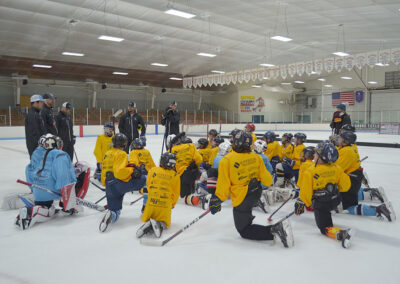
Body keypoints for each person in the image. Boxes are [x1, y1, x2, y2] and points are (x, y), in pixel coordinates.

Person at [209, 130, 294, 248]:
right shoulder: (256, 157)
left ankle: (275, 229)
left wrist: (217, 199)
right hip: (256, 193)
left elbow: (223, 185)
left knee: (244, 230)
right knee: (246, 212)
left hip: (242, 198)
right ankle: (251, 212)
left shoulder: (227, 160)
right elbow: (268, 180)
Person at [294, 142, 353, 248]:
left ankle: (341, 233)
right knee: (327, 211)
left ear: (321, 158)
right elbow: (346, 185)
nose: (314, 157)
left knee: (324, 227)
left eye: (316, 155)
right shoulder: (337, 168)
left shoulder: (310, 171)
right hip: (335, 200)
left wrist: (301, 202)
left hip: (322, 204)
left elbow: (305, 192)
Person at [15, 134, 77, 230]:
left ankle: (36, 208)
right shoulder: (59, 154)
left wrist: (33, 188)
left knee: (45, 205)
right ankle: (31, 212)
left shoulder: (38, 153)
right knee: (49, 211)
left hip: (38, 187)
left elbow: (29, 171)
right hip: (50, 187)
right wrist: (64, 191)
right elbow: (62, 174)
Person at [336, 131, 394, 221]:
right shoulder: (350, 148)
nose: (338, 139)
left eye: (340, 138)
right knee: (347, 195)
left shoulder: (347, 152)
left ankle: (377, 210)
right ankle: (371, 193)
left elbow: (338, 168)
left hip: (351, 180)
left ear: (345, 141)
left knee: (349, 207)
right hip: (353, 179)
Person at [99, 133, 146, 232]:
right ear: (124, 144)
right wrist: (132, 171)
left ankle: (111, 214)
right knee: (145, 179)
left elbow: (104, 171)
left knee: (116, 211)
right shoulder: (121, 154)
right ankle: (146, 207)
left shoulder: (108, 153)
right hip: (118, 184)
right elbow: (120, 172)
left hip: (109, 186)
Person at [136, 152, 180, 238]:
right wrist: (172, 204)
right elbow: (176, 193)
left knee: (150, 215)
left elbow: (148, 185)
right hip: (165, 205)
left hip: (151, 203)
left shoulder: (153, 170)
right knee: (165, 223)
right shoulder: (175, 175)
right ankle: (160, 224)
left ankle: (149, 223)